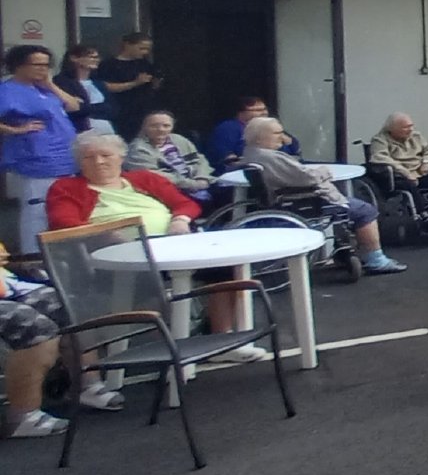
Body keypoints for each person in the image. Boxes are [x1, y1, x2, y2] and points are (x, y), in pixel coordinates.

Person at [48, 134, 260, 350]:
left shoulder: (145, 179)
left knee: (226, 268)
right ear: (79, 162)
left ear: (121, 157)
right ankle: (178, 350)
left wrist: (180, 219)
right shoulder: (66, 187)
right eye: (88, 157)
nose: (99, 162)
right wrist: (104, 234)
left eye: (106, 155)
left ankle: (223, 341)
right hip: (121, 259)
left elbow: (185, 203)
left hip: (171, 245)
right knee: (167, 283)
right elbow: (64, 222)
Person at [243, 116, 405, 274]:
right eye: (277, 133)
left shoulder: (252, 153)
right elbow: (308, 177)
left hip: (284, 200)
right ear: (260, 137)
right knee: (365, 210)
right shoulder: (272, 157)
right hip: (305, 201)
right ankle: (376, 260)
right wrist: (324, 171)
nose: (282, 137)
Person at [0, 44, 82, 248]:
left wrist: (50, 85)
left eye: (46, 65)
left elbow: (74, 106)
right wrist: (14, 130)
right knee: (38, 210)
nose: (42, 69)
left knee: (63, 208)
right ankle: (33, 256)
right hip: (36, 160)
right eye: (37, 65)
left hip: (65, 158)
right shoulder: (7, 90)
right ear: (18, 65)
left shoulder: (44, 88)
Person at [1, 235, 78, 435]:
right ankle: (22, 416)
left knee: (65, 305)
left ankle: (85, 385)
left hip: (9, 286)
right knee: (32, 325)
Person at [368, 113, 428, 232]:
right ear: (392, 129)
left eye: (411, 126)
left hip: (419, 172)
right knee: (411, 187)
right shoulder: (379, 140)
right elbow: (380, 158)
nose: (410, 129)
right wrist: (404, 172)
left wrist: (426, 161)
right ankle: (425, 217)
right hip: (397, 176)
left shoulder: (416, 136)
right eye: (406, 127)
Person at [125, 110, 216, 202]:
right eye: (154, 126)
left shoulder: (179, 139)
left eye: (166, 126)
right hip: (169, 192)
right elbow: (152, 176)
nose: (161, 129)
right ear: (144, 127)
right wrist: (193, 184)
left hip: (199, 184)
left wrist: (202, 178)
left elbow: (199, 159)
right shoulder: (137, 148)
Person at [206, 96, 296, 173]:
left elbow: (295, 149)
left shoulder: (271, 126)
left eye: (265, 109)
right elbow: (227, 158)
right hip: (249, 173)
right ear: (241, 113)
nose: (264, 113)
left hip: (283, 167)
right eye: (257, 110)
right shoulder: (228, 128)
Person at [97, 33, 162, 139]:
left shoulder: (145, 64)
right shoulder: (109, 65)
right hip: (122, 108)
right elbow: (106, 87)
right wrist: (135, 83)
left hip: (144, 108)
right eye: (141, 48)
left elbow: (154, 84)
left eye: (147, 49)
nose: (145, 52)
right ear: (127, 45)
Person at [55, 44, 117, 135]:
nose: (96, 60)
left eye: (97, 57)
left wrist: (84, 107)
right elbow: (72, 109)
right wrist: (98, 108)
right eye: (91, 57)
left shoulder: (98, 83)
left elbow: (111, 109)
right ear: (74, 58)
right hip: (79, 131)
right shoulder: (62, 82)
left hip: (106, 131)